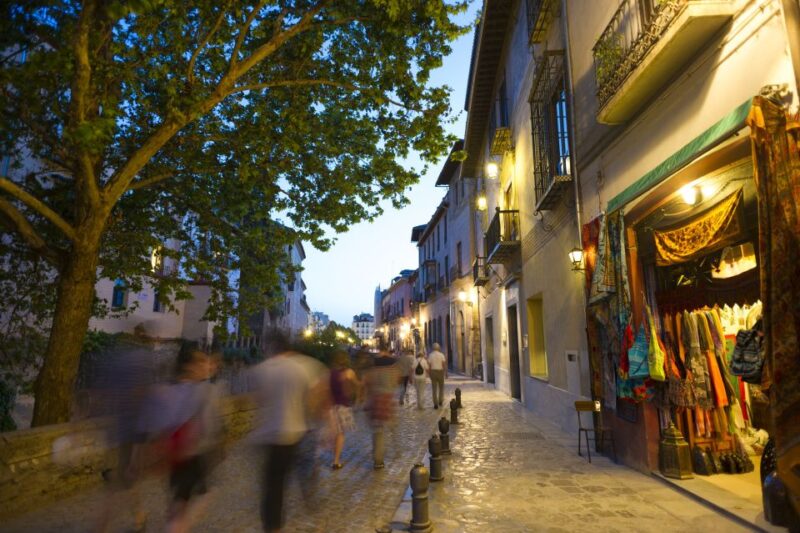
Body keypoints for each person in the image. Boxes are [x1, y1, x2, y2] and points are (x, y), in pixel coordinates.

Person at [249, 334, 330, 533]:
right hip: (298, 432)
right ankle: (316, 517)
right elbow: (318, 396)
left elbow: (258, 401)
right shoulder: (305, 366)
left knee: (273, 487)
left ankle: (272, 527)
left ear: (271, 349)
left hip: (270, 436)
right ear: (289, 349)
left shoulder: (261, 370)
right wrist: (323, 422)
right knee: (306, 477)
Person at [146, 349, 224, 533]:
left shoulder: (167, 389)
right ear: (189, 366)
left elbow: (158, 424)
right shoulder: (204, 391)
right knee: (200, 496)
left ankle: (176, 524)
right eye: (201, 362)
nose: (205, 366)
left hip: (174, 453)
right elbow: (208, 424)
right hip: (193, 452)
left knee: (179, 499)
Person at [364, 350, 399, 469]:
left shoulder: (372, 371)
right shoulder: (392, 371)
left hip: (376, 401)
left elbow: (367, 385)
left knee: (378, 431)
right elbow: (395, 383)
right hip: (387, 400)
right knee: (392, 426)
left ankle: (378, 459)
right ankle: (396, 448)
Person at [329, 350, 360, 469]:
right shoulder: (348, 372)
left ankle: (335, 457)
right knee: (340, 434)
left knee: (335, 433)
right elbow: (357, 385)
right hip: (343, 406)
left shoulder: (330, 373)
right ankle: (336, 461)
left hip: (332, 407)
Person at [427, 342, 447, 409]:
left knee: (434, 389)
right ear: (439, 348)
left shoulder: (430, 355)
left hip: (433, 371)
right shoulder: (441, 355)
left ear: (433, 348)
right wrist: (445, 373)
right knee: (441, 388)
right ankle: (440, 401)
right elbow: (443, 364)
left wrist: (429, 373)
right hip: (440, 371)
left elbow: (429, 365)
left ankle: (435, 403)